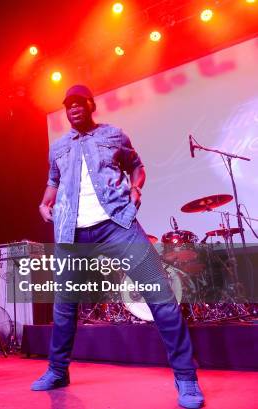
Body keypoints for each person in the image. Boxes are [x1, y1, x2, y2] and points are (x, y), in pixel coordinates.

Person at [32, 85, 205, 409]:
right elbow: (52, 181)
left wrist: (136, 188)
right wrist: (44, 205)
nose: (73, 110)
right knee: (64, 307)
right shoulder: (58, 148)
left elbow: (137, 166)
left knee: (161, 297)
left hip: (117, 225)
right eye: (68, 106)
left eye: (79, 104)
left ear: (90, 105)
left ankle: (186, 378)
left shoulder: (113, 135)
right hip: (71, 233)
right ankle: (57, 371)